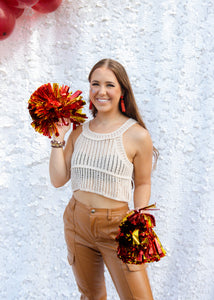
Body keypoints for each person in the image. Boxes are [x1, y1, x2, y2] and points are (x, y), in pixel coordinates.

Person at [49, 58, 158, 300]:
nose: (101, 91)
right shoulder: (79, 131)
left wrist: (139, 221)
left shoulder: (138, 135)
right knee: (91, 297)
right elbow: (58, 180)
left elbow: (142, 183)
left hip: (117, 227)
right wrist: (58, 138)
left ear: (122, 91)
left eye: (109, 85)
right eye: (95, 84)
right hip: (77, 224)